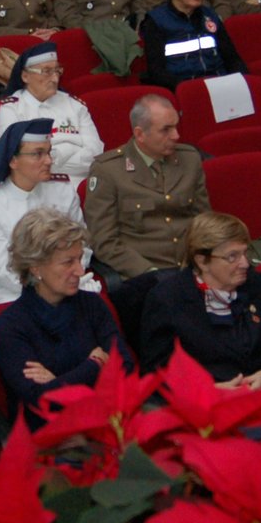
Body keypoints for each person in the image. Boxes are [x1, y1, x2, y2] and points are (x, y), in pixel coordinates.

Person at [83, 93, 209, 346]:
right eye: (166, 130)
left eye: (176, 126)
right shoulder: (109, 170)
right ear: (140, 134)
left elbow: (205, 220)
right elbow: (104, 240)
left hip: (192, 266)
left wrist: (207, 261)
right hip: (145, 275)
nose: (176, 136)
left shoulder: (189, 159)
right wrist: (149, 273)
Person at [0, 209, 131, 426]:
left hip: (105, 422)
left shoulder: (92, 304)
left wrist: (57, 382)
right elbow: (42, 400)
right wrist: (94, 364)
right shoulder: (11, 326)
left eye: (79, 259)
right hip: (51, 438)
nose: (79, 270)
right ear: (36, 267)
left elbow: (125, 368)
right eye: (68, 262)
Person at [140, 212, 261, 387]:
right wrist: (208, 390)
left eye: (245, 253)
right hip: (202, 407)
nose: (245, 263)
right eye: (232, 256)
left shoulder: (257, 284)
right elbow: (156, 374)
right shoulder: (168, 298)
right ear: (202, 261)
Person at [0, 119, 90, 305]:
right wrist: (50, 288)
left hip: (70, 284)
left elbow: (83, 246)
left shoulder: (64, 192)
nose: (49, 160)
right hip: (15, 294)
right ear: (13, 160)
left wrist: (66, 279)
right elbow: (2, 268)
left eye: (49, 152)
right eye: (38, 154)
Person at [0, 43, 104, 179]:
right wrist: (70, 148)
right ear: (25, 76)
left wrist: (51, 157)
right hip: (33, 188)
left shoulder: (75, 105)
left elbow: (96, 155)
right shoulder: (11, 109)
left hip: (80, 186)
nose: (55, 78)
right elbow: (21, 160)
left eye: (57, 70)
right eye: (46, 71)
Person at [139, 0, 246, 90]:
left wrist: (241, 83)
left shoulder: (209, 15)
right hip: (183, 89)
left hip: (220, 86)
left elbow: (232, 59)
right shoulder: (156, 21)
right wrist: (188, 89)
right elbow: (157, 72)